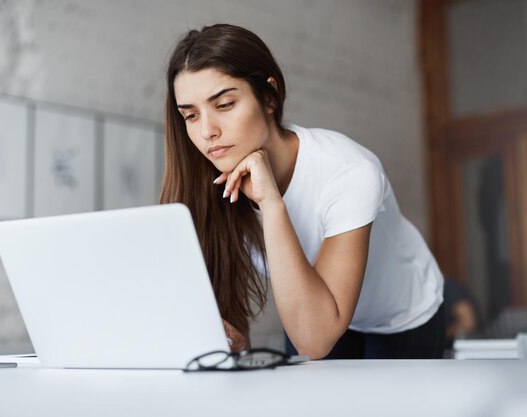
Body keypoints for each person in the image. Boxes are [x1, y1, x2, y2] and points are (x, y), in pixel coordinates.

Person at [160, 23, 445, 359]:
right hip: (315, 308)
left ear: (269, 96)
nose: (207, 131)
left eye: (224, 105)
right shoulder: (210, 186)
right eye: (191, 116)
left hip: (401, 315)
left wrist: (271, 203)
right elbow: (249, 333)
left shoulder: (348, 171)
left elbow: (315, 338)